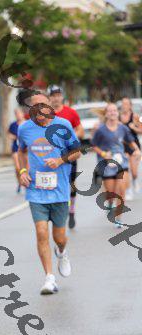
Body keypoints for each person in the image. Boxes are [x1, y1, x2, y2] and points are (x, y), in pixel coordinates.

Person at [17, 92, 81, 295]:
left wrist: (60, 160)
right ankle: (49, 278)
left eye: (42, 104)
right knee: (41, 232)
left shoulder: (63, 125)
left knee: (59, 237)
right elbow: (21, 151)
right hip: (36, 191)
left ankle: (61, 251)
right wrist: (22, 171)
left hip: (60, 191)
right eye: (34, 106)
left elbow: (77, 151)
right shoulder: (24, 128)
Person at [92, 103, 140, 228]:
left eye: (114, 110)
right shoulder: (101, 130)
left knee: (121, 190)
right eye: (110, 111)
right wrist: (103, 153)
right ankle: (110, 204)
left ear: (117, 113)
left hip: (121, 163)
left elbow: (131, 141)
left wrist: (137, 150)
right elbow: (94, 145)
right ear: (106, 114)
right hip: (107, 165)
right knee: (111, 193)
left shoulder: (122, 128)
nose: (113, 113)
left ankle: (118, 217)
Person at [49, 86, 84, 229]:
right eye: (53, 95)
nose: (56, 98)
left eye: (58, 95)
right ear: (49, 97)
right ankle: (55, 211)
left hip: (69, 154)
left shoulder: (71, 112)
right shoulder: (46, 114)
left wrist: (71, 136)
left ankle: (71, 211)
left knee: (71, 184)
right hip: (51, 155)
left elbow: (80, 130)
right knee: (53, 184)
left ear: (62, 97)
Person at [120, 96, 142, 199]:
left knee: (133, 171)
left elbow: (141, 130)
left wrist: (134, 127)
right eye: (123, 104)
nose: (124, 106)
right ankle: (128, 190)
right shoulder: (118, 117)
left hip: (134, 145)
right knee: (125, 169)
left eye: (126, 104)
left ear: (130, 105)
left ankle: (135, 179)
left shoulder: (135, 116)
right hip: (122, 145)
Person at [8, 107, 26, 193]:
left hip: (26, 148)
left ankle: (26, 182)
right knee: (18, 167)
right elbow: (9, 134)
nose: (18, 115)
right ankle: (19, 182)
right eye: (16, 114)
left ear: (23, 114)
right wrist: (15, 137)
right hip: (16, 148)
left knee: (27, 167)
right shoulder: (13, 125)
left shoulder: (27, 123)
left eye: (19, 113)